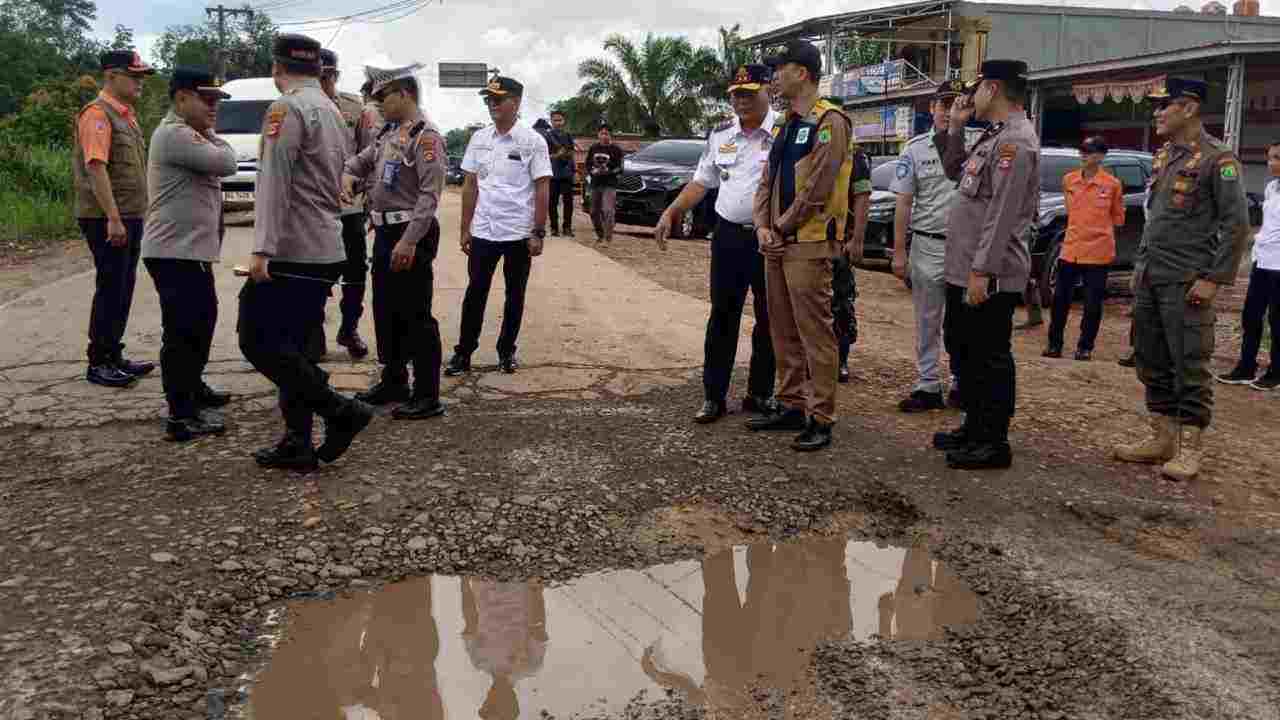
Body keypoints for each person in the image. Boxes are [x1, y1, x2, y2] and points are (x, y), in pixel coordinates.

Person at [237, 33, 374, 472]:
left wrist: (262, 249)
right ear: (318, 70)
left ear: (277, 69)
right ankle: (297, 440)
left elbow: (275, 182)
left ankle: (341, 411)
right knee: (292, 348)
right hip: (324, 244)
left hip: (294, 250)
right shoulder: (332, 110)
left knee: (257, 340)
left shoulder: (287, 107)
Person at [1114, 78, 1249, 481]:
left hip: (1187, 280)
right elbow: (1156, 221)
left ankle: (1191, 449)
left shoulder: (1217, 159)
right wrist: (1139, 269)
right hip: (1153, 276)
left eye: (1163, 105)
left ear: (1188, 108)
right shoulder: (1165, 157)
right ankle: (1162, 438)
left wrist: (1213, 279)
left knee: (1188, 362)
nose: (1156, 112)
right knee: (1151, 358)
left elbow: (1237, 225)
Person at [654, 64, 779, 424]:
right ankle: (714, 396)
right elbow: (702, 182)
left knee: (770, 319)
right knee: (722, 316)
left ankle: (760, 393)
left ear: (767, 90)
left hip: (770, 239)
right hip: (727, 237)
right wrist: (671, 212)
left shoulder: (785, 131)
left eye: (748, 93)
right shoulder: (721, 134)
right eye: (736, 94)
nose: (741, 101)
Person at [746, 40, 854, 452]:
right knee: (782, 328)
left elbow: (818, 188)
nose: (773, 76)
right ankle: (791, 403)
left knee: (815, 334)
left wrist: (781, 226)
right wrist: (762, 227)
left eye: (780, 68)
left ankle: (820, 415)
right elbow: (766, 181)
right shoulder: (784, 124)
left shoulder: (831, 122)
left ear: (803, 73)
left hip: (807, 243)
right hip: (776, 242)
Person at [935, 60, 1040, 470]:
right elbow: (952, 171)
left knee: (989, 355)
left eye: (975, 88)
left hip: (989, 272)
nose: (969, 97)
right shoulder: (993, 138)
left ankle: (992, 440)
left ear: (992, 88)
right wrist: (956, 127)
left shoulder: (1017, 142)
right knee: (963, 347)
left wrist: (982, 271)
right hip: (964, 267)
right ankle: (974, 425)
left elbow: (1001, 214)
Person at [342, 63, 447, 420]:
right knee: (386, 311)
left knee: (415, 314)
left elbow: (430, 196)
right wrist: (348, 173)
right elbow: (362, 161)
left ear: (405, 94)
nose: (378, 103)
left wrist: (409, 241)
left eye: (383, 96)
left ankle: (427, 393)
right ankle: (394, 379)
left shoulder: (426, 136)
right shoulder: (390, 132)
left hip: (410, 234)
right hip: (386, 232)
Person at [140, 67, 236, 441]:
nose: (214, 108)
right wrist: (212, 135)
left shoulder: (188, 134)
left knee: (201, 323)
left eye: (216, 101)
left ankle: (193, 390)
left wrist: (209, 134)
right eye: (206, 99)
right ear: (181, 99)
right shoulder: (175, 134)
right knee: (183, 333)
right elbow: (228, 162)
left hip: (187, 252)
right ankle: (181, 414)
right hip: (174, 252)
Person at [446, 76, 552, 376]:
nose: (491, 105)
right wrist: (466, 228)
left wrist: (538, 231)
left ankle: (507, 352)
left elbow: (542, 187)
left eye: (497, 99)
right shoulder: (479, 138)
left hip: (518, 233)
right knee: (475, 293)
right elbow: (470, 185)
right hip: (484, 231)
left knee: (514, 295)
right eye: (488, 100)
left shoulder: (533, 141)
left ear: (515, 103)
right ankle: (463, 354)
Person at [72, 49, 158, 388]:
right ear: (111, 76)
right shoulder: (97, 114)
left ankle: (113, 353)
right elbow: (96, 167)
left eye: (141, 77)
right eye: (133, 77)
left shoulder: (125, 115)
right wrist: (113, 218)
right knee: (111, 287)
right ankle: (99, 362)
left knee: (123, 286)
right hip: (108, 218)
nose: (139, 83)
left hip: (128, 215)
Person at [890, 80, 976, 411]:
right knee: (928, 319)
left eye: (957, 104)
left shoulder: (977, 144)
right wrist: (899, 252)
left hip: (963, 247)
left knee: (962, 320)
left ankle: (959, 382)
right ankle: (927, 384)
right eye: (944, 104)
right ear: (932, 108)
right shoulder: (914, 150)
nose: (950, 110)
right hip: (926, 244)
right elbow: (904, 203)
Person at [1044, 136, 1125, 361]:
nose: (1083, 156)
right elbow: (1071, 211)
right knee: (1059, 301)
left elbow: (1118, 218)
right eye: (1082, 151)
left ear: (1100, 156)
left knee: (1092, 305)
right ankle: (1054, 344)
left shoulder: (1111, 185)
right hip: (1071, 249)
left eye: (1088, 152)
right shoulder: (1069, 180)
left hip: (1098, 253)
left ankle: (1085, 347)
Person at [320, 48, 372, 360]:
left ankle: (349, 328)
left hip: (349, 207)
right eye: (321, 76)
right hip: (315, 209)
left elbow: (369, 151)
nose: (327, 82)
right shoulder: (300, 107)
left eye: (331, 76)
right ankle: (312, 331)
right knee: (317, 273)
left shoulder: (354, 106)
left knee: (355, 272)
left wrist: (365, 195)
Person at [1217, 141, 1280, 391]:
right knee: (1251, 316)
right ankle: (1246, 366)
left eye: (1276, 158)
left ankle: (1275, 372)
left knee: (1277, 321)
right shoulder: (1271, 187)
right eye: (1270, 157)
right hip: (1262, 261)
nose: (1271, 162)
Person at [586, 124, 625, 243]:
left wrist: (609, 172)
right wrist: (592, 171)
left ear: (610, 135)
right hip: (595, 183)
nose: (604, 136)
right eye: (602, 133)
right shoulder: (593, 148)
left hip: (610, 184)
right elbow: (588, 164)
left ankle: (608, 237)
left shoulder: (616, 150)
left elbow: (621, 168)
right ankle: (600, 234)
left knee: (608, 210)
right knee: (593, 211)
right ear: (598, 135)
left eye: (606, 134)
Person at [546, 110, 577, 237]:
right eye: (555, 120)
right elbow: (543, 155)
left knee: (568, 202)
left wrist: (574, 171)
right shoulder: (547, 136)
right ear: (551, 121)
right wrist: (556, 156)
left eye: (560, 120)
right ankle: (554, 228)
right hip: (552, 174)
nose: (558, 122)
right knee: (552, 202)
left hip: (566, 174)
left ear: (564, 121)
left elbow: (572, 153)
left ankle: (567, 227)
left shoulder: (568, 135)